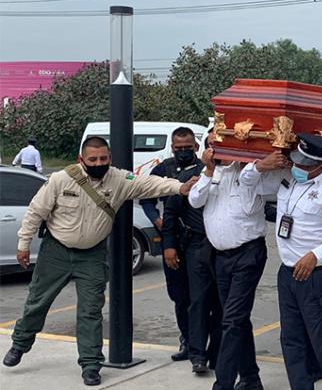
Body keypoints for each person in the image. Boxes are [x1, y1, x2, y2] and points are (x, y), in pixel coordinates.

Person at [2, 136, 197, 386]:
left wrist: (179, 187)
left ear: (110, 159)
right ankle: (20, 344)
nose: (98, 163)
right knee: (38, 301)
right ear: (81, 160)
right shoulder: (61, 180)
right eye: (93, 159)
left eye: (103, 158)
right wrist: (23, 244)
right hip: (56, 251)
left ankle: (91, 365)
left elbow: (150, 184)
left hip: (92, 255)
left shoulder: (119, 179)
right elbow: (35, 211)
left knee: (91, 310)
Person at [240, 133, 322, 390]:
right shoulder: (288, 179)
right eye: (297, 160)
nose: (298, 166)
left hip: (319, 277)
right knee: (292, 342)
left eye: (305, 164)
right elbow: (249, 183)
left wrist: (315, 255)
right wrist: (260, 165)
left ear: (321, 165)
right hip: (289, 275)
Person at [188, 147, 268, 390]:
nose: (214, 150)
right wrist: (209, 171)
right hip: (220, 257)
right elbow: (194, 200)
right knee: (237, 320)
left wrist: (250, 164)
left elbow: (253, 203)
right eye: (210, 145)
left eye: (218, 145)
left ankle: (223, 384)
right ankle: (251, 379)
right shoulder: (211, 174)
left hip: (247, 254)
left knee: (232, 321)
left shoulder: (247, 172)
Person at [139, 126, 201, 362]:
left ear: (195, 146)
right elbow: (146, 198)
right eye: (179, 148)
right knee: (179, 295)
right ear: (172, 147)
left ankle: (201, 345)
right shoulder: (164, 169)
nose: (183, 151)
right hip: (171, 239)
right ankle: (186, 339)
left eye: (188, 148)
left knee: (200, 296)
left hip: (197, 240)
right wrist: (156, 219)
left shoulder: (204, 168)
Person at [161, 148, 221, 375]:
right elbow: (170, 213)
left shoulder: (237, 177)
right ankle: (197, 355)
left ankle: (217, 354)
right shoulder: (191, 177)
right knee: (199, 302)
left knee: (223, 305)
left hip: (227, 248)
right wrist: (169, 245)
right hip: (197, 246)